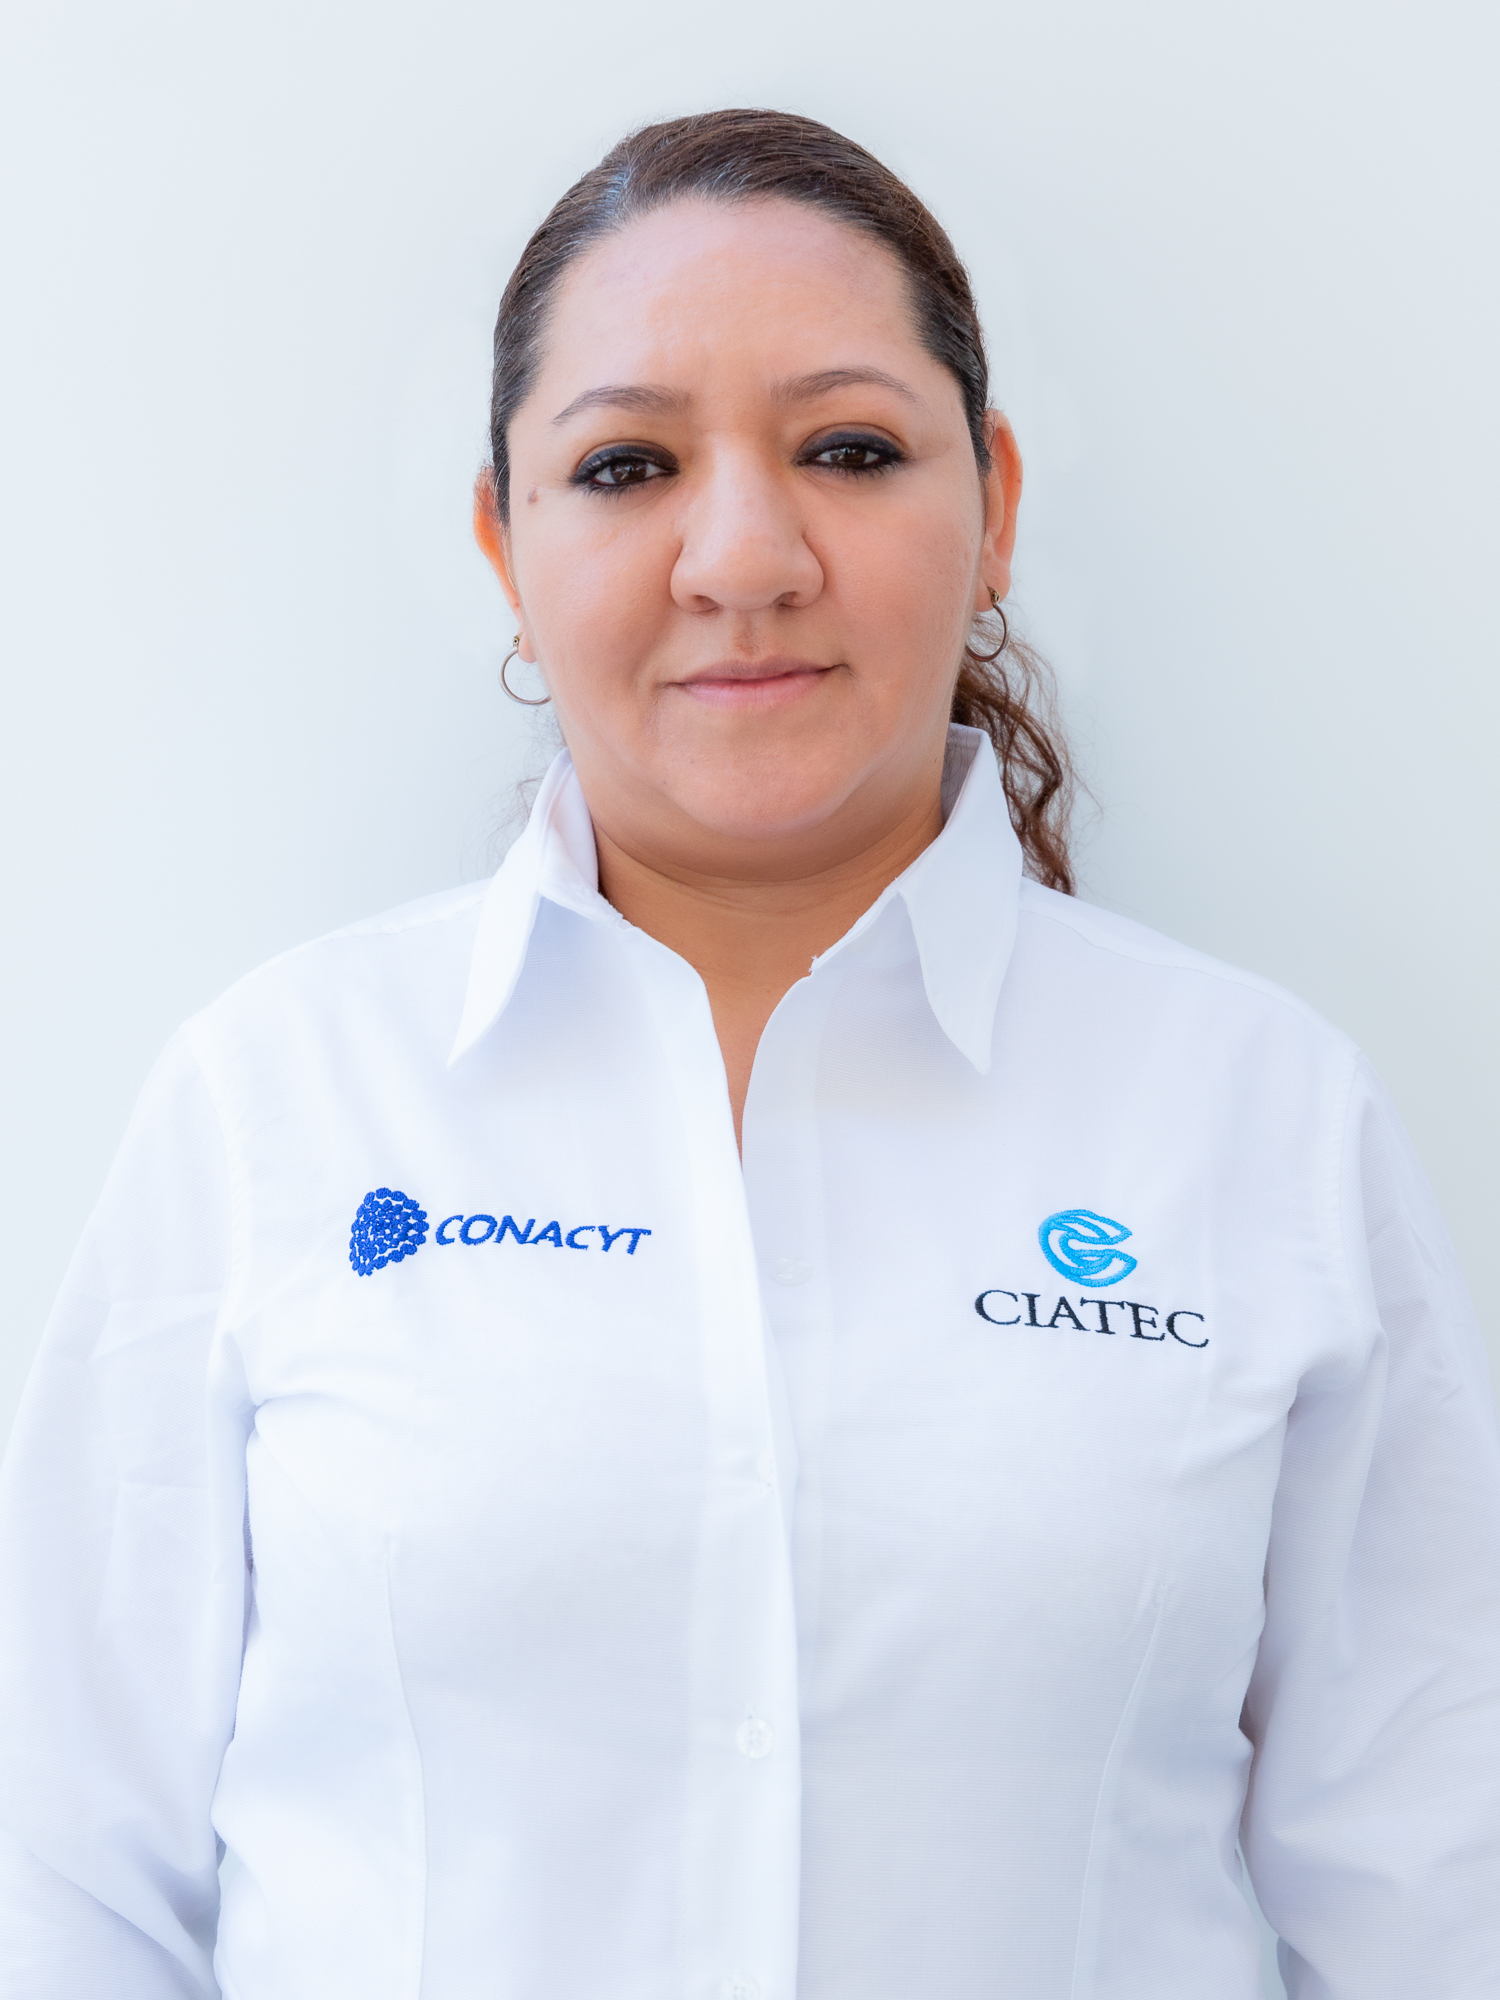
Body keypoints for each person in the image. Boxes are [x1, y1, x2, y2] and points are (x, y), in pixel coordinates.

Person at [1, 106, 1497, 2000]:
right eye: (626, 465)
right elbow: (62, 1872)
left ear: (994, 504)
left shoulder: (1261, 1117)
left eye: (848, 450)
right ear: (505, 542)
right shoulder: (277, 1100)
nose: (743, 556)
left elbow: (1442, 1894)